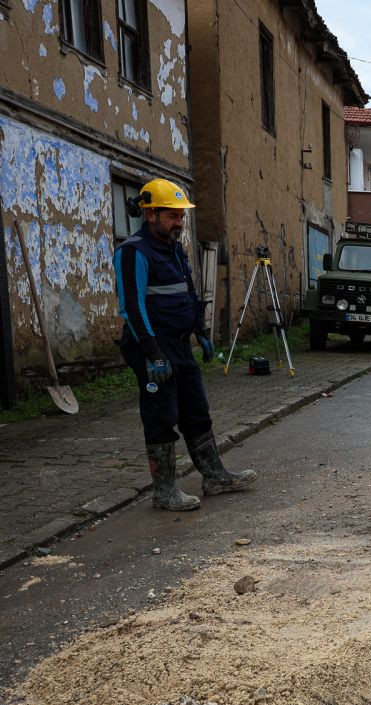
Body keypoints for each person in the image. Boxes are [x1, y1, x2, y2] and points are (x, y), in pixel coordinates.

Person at [113, 178, 257, 511]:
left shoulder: (174, 248)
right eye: (173, 216)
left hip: (179, 345)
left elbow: (186, 295)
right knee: (161, 414)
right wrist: (152, 354)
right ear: (150, 214)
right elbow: (132, 308)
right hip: (153, 348)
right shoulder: (133, 252)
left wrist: (200, 332)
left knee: (196, 410)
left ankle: (214, 476)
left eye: (181, 216)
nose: (180, 222)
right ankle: (164, 491)